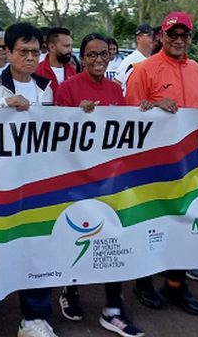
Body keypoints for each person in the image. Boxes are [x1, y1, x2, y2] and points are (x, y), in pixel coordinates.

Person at [54, 33, 144, 337]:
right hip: (75, 178)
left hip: (110, 180)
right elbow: (52, 136)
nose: (97, 60)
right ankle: (70, 289)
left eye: (103, 54)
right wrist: (75, 116)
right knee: (76, 236)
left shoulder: (117, 89)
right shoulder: (66, 89)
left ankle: (113, 308)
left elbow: (131, 127)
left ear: (110, 56)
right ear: (83, 57)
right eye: (91, 54)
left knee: (113, 238)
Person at [125, 12, 198, 316]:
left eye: (183, 35)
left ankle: (176, 285)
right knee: (151, 226)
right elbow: (127, 118)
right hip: (153, 167)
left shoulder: (197, 69)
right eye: (172, 34)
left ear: (190, 38)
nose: (178, 40)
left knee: (184, 224)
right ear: (161, 36)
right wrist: (155, 106)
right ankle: (143, 281)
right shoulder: (144, 70)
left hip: (189, 166)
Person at [0, 23, 56, 337]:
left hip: (37, 183)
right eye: (23, 51)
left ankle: (33, 318)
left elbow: (57, 130)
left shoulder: (46, 88)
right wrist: (1, 108)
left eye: (35, 52)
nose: (30, 58)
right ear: (6, 52)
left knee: (37, 246)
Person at [113, 24, 154, 93]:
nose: (153, 38)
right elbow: (116, 84)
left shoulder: (153, 59)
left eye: (153, 35)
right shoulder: (130, 61)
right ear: (138, 39)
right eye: (149, 35)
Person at [35, 27, 76, 94]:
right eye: (66, 46)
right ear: (52, 47)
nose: (70, 50)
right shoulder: (37, 72)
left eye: (71, 46)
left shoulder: (73, 71)